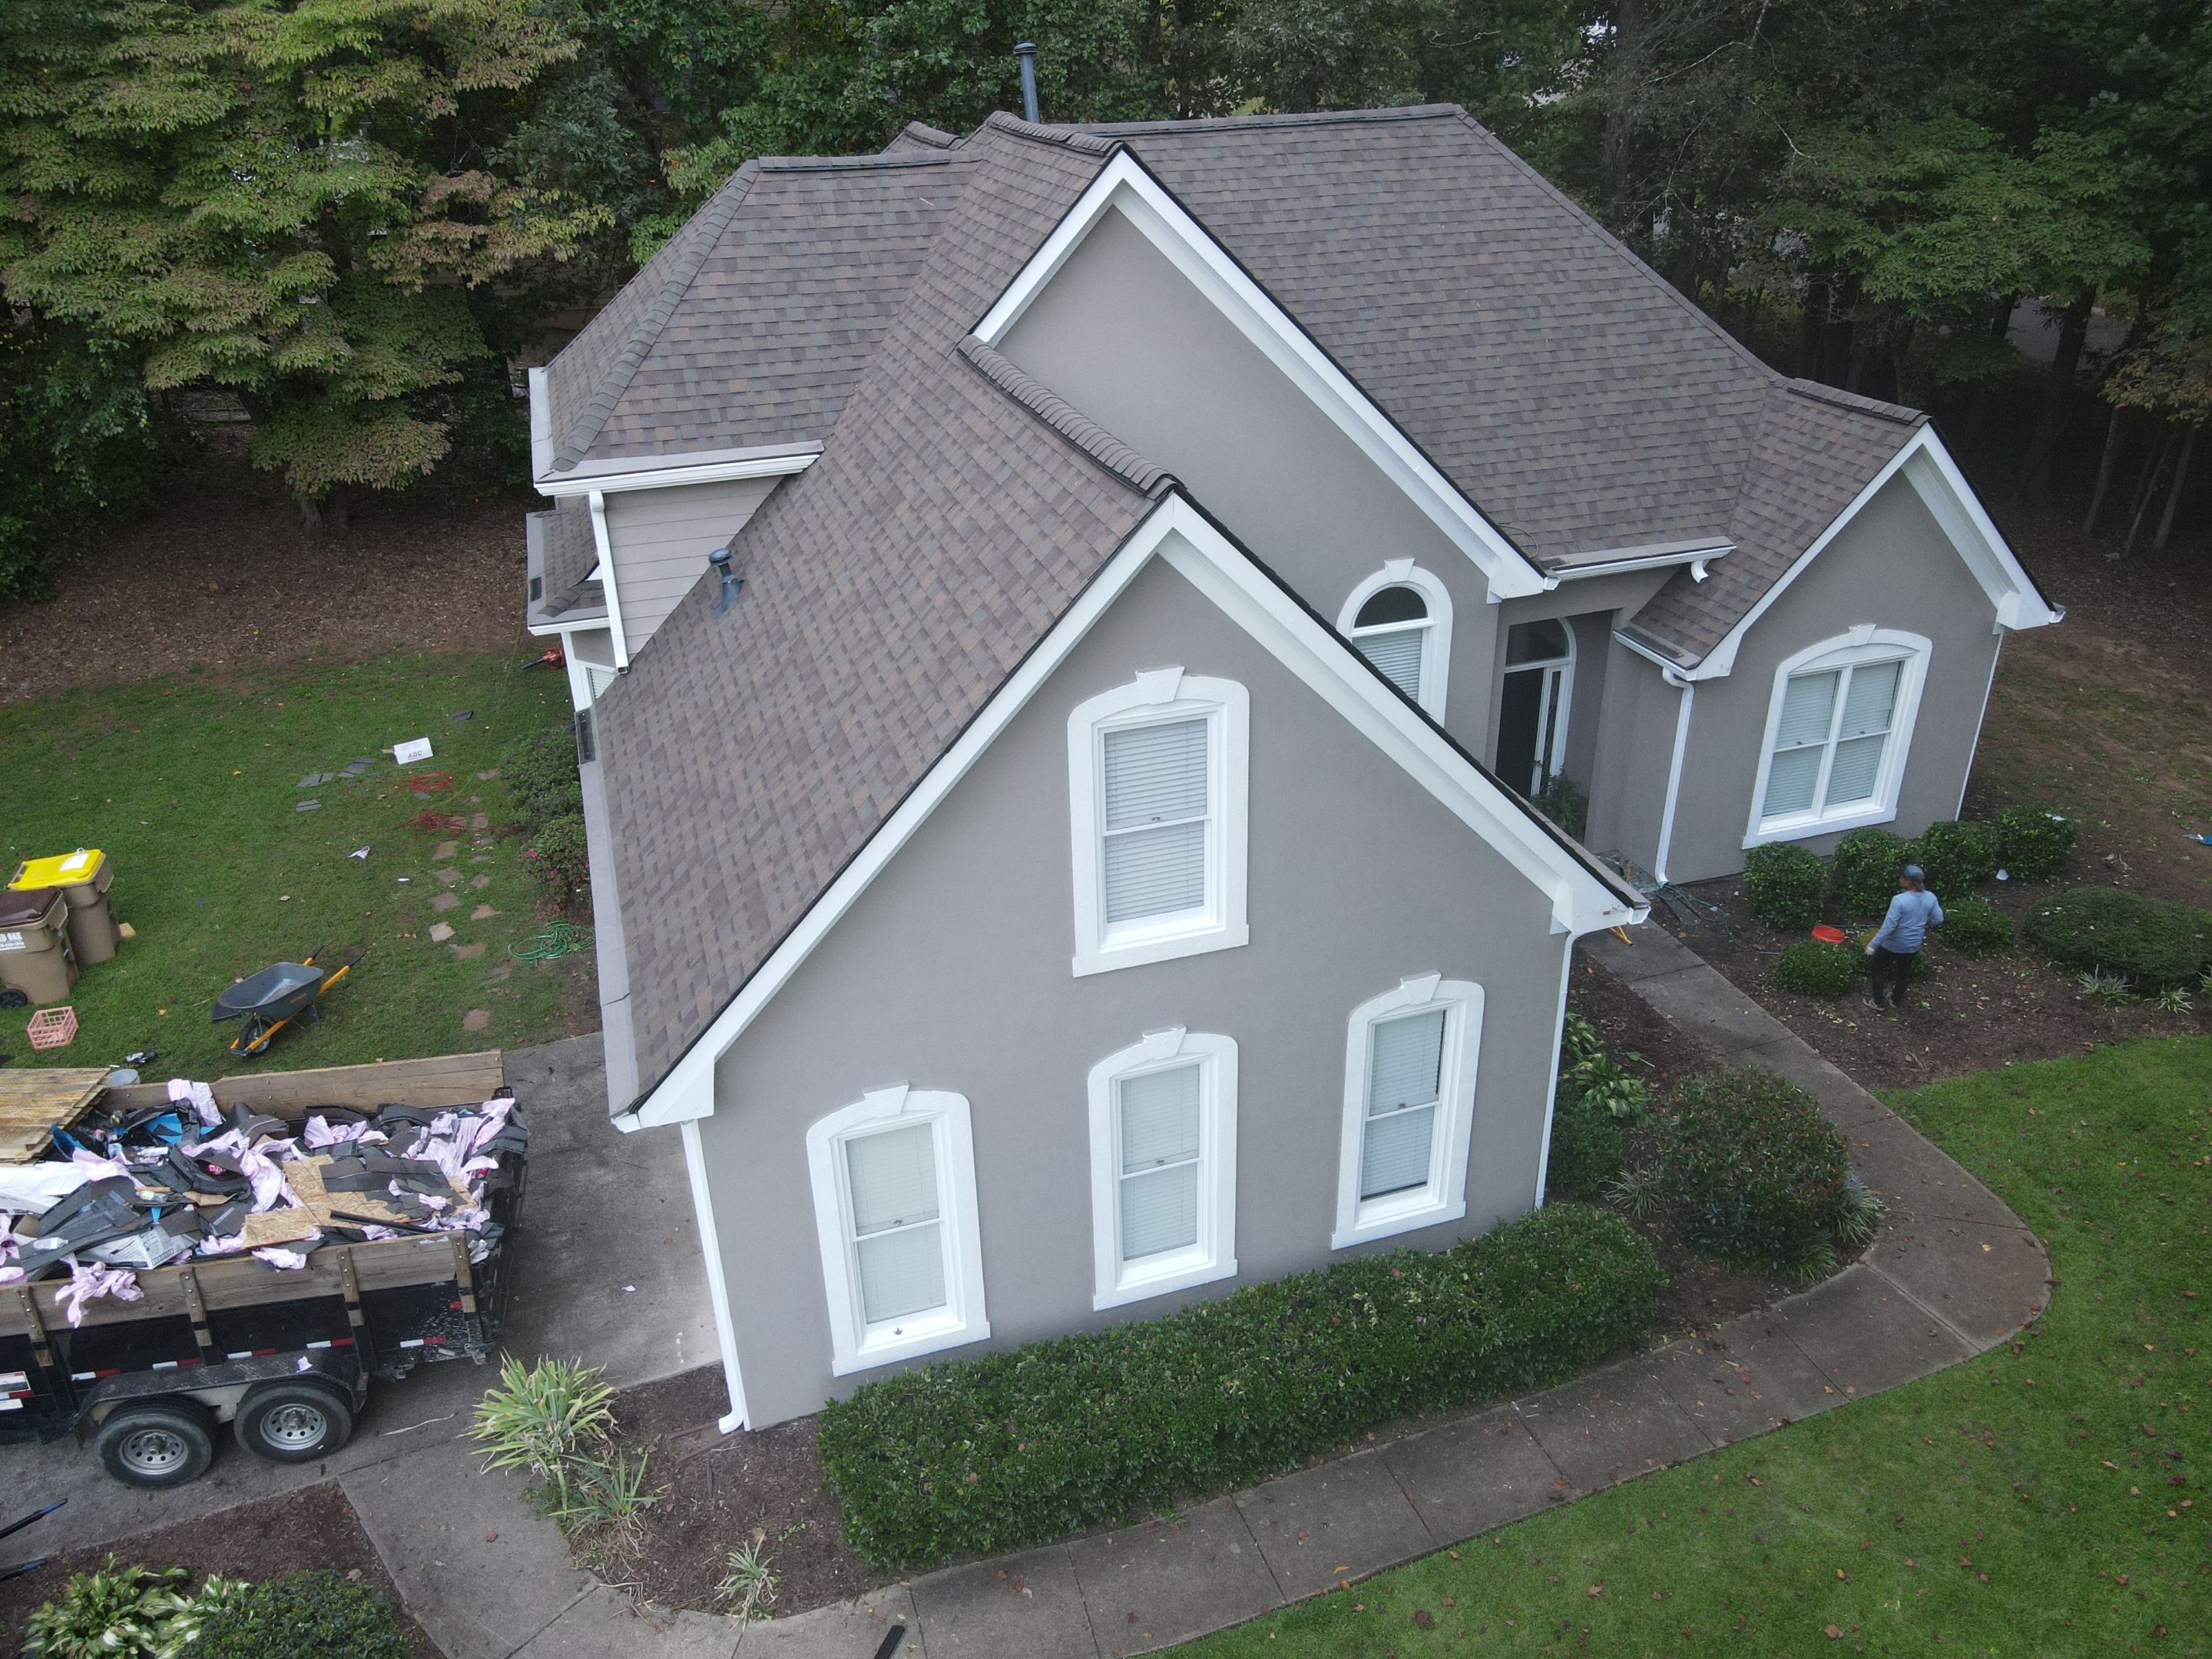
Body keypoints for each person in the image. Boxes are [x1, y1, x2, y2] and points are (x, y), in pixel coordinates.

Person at [1866, 863, 1943, 1009]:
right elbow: (1939, 919)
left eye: (1902, 877)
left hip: (1893, 945)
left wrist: (1873, 944)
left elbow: (1889, 927)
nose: (1900, 879)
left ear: (1909, 882)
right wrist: (1924, 921)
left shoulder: (1899, 900)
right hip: (1913, 945)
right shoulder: (1930, 898)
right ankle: (1895, 1000)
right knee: (1903, 971)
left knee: (1877, 967)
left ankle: (1878, 1001)